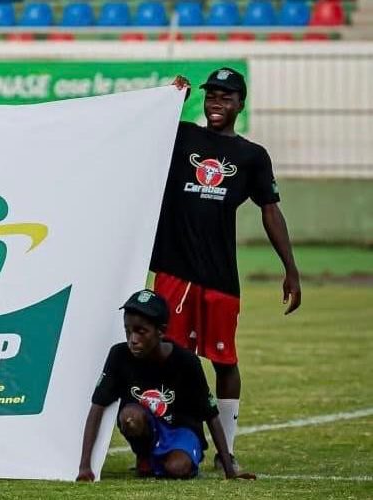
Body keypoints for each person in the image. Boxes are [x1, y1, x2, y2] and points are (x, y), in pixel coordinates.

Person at [151, 68, 302, 470]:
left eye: (226, 98)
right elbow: (144, 129)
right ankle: (165, 444)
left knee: (224, 360)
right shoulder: (182, 136)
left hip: (219, 276)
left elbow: (270, 211)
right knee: (167, 358)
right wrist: (171, 101)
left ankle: (226, 450)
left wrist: (291, 269)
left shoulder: (252, 156)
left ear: (240, 105)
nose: (216, 103)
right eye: (211, 96)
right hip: (175, 270)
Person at [76, 289, 255, 481]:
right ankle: (145, 456)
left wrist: (230, 472)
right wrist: (84, 467)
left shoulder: (187, 362)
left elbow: (212, 416)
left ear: (161, 331)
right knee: (130, 417)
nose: (133, 340)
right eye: (128, 330)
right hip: (147, 426)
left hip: (182, 430)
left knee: (177, 468)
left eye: (141, 332)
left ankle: (170, 459)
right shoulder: (119, 356)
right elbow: (98, 406)